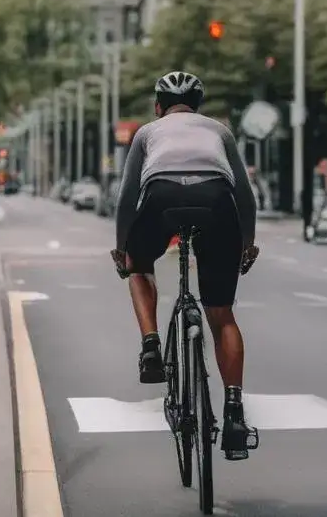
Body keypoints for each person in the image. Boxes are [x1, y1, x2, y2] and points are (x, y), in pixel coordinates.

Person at [110, 71, 261, 461]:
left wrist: (122, 248)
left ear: (158, 107)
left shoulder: (147, 132)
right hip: (217, 200)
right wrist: (246, 242)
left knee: (140, 266)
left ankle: (150, 346)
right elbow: (245, 197)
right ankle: (234, 412)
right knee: (222, 314)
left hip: (161, 197)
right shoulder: (219, 131)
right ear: (198, 107)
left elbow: (127, 199)